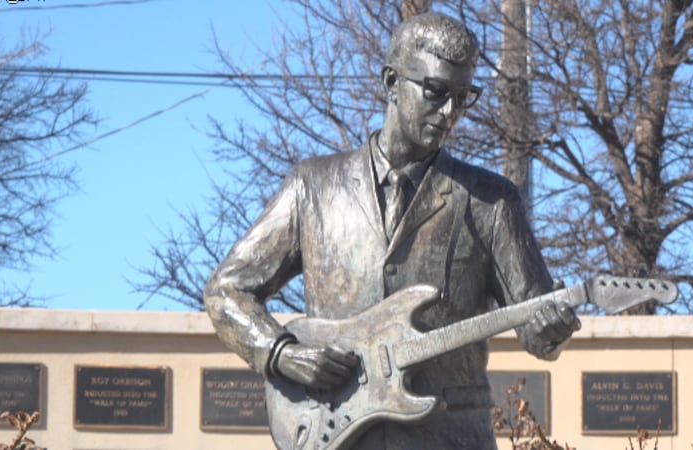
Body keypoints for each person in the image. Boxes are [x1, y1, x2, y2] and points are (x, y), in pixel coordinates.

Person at [204, 12, 580, 450]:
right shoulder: (313, 187)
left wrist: (551, 328)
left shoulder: (492, 201)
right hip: (336, 434)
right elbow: (226, 290)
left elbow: (535, 330)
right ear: (391, 83)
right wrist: (279, 352)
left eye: (463, 97)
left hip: (450, 438)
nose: (450, 112)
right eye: (436, 92)